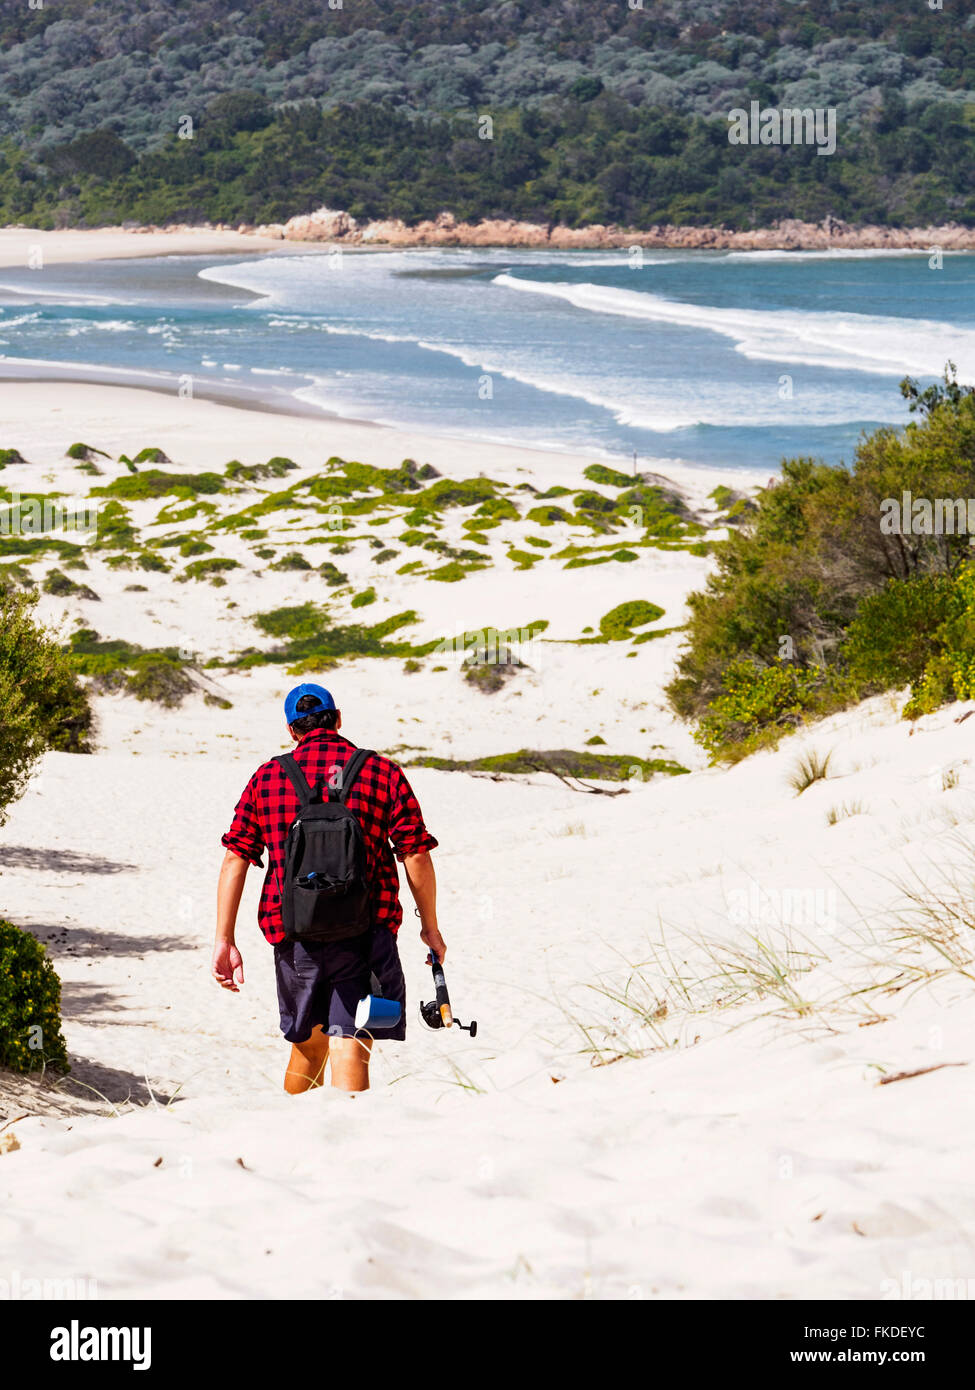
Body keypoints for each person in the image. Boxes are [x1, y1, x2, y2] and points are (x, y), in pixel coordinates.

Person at [213, 682, 444, 1094]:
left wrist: (224, 939)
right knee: (353, 1040)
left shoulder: (269, 776)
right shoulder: (381, 771)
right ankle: (347, 1145)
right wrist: (430, 927)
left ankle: (293, 1140)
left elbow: (236, 857)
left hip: (294, 937)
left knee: (307, 1045)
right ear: (338, 720)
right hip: (368, 935)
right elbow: (415, 853)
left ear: (291, 729)